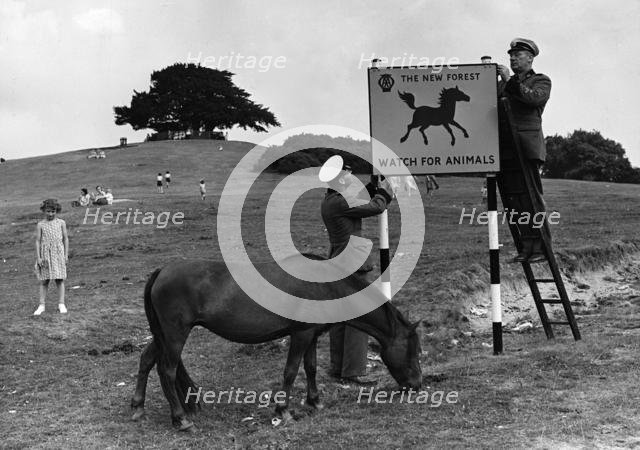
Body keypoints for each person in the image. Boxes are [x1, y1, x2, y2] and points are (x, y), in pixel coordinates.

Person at [319, 156, 394, 385]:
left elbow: (360, 198)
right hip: (351, 264)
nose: (351, 177)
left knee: (341, 318)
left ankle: (338, 367)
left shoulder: (332, 199)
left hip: (339, 262)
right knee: (360, 317)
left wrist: (372, 186)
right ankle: (353, 371)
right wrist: (386, 192)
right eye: (347, 174)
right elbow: (376, 207)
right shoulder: (341, 201)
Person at [496, 38, 551, 263]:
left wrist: (509, 80)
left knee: (531, 200)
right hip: (506, 149)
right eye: (511, 55)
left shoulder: (541, 81)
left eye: (517, 54)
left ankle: (541, 249)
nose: (512, 58)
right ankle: (526, 247)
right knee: (515, 201)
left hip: (526, 148)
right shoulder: (501, 85)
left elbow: (531, 98)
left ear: (530, 58)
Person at [33, 199, 69, 315]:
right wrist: (38, 257)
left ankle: (61, 303)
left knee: (59, 279)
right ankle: (41, 305)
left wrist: (66, 255)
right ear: (44, 211)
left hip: (58, 254)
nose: (51, 214)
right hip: (45, 255)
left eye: (53, 211)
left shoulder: (61, 223)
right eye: (48, 211)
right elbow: (38, 241)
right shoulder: (41, 224)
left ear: (56, 211)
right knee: (44, 280)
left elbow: (65, 239)